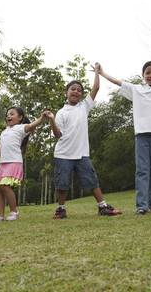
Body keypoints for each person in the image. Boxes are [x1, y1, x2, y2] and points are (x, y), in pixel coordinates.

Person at [99, 37, 151, 215]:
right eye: (148, 72)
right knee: (142, 171)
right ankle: (141, 206)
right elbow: (117, 82)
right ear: (143, 75)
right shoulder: (136, 90)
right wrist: (101, 73)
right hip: (142, 136)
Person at [46, 63, 122, 219]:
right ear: (66, 92)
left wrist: (97, 72)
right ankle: (61, 209)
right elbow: (57, 134)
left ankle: (103, 207)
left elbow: (96, 88)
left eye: (79, 90)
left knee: (92, 181)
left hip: (82, 154)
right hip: (63, 154)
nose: (76, 92)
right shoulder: (61, 112)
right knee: (62, 184)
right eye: (73, 89)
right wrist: (52, 120)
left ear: (81, 95)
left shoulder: (84, 107)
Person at [0, 107, 49, 222]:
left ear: (20, 118)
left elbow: (32, 125)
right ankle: (0, 215)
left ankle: (14, 211)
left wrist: (42, 118)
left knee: (4, 186)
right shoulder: (5, 131)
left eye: (12, 114)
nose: (8, 116)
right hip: (3, 164)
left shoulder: (21, 128)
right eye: (7, 115)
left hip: (14, 161)